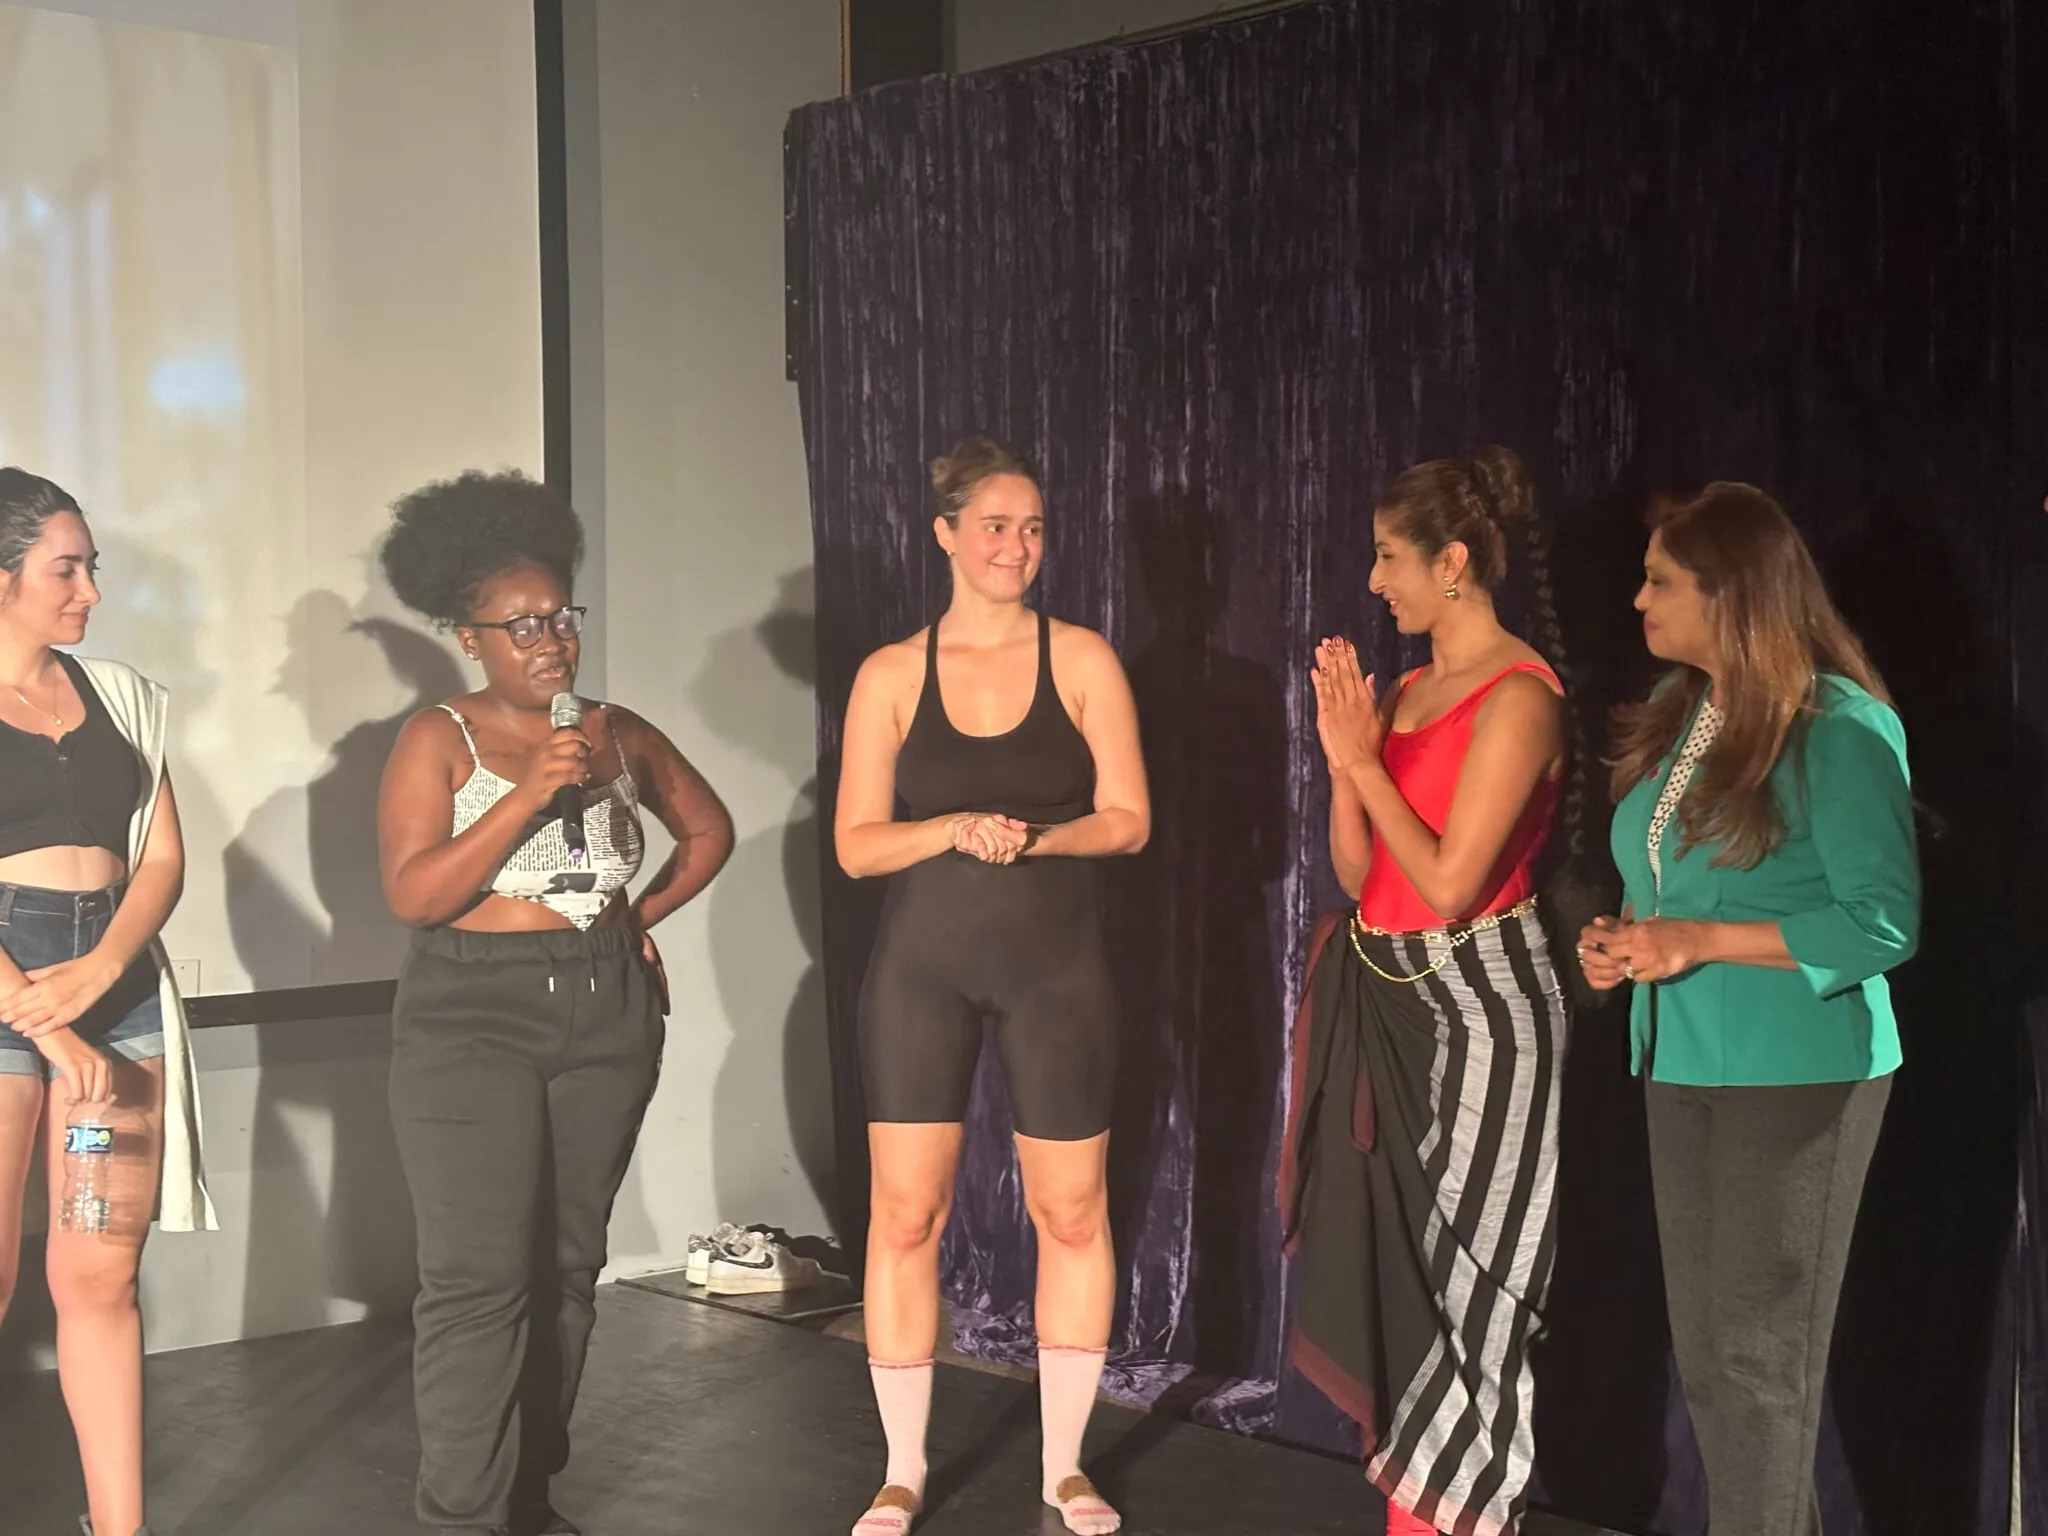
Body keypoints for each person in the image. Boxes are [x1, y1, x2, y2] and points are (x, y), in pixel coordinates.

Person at [376, 470, 733, 1536]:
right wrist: (529, 793)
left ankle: (526, 1497)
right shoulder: (437, 737)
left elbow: (707, 830)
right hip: (470, 1016)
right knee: (478, 1279)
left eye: (563, 618)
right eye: (522, 625)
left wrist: (635, 920)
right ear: (469, 637)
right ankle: (462, 1518)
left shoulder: (619, 732)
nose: (551, 641)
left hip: (604, 1009)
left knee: (568, 1269)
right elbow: (415, 895)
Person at [1576, 484, 1917, 1536]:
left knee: (1760, 1368)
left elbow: (1881, 922)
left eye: (1659, 581)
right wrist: (1624, 942)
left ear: (1729, 593)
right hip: (1679, 1057)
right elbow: (1667, 881)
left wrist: (1699, 942)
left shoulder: (1838, 727)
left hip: (1796, 1072)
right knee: (1715, 1368)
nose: (1637, 600)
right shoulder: (1682, 711)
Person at [834, 437, 1149, 1536]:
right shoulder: (889, 674)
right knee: (903, 1215)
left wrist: (1035, 840)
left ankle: (1064, 1467)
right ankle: (902, 1469)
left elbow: (1128, 819)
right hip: (920, 972)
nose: (1015, 547)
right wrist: (951, 828)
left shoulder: (1083, 660)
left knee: (1071, 1212)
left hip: (1055, 972)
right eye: (994, 526)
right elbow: (857, 846)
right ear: (945, 534)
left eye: (1032, 528)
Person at [1283, 447, 1578, 1536]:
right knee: (1404, 1290)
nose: (1373, 581)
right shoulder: (1405, 691)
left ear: (1451, 562)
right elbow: (1363, 875)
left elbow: (1452, 885)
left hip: (1485, 1018)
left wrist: (1365, 765)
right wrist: (1342, 763)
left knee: (1474, 1299)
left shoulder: (1521, 697)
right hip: (1393, 1004)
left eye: (1388, 557)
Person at [0, 468, 215, 1536]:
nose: (89, 590)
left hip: (115, 979)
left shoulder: (119, 693)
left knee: (99, 1275)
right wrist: (40, 1011)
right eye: (66, 569)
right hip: (7, 985)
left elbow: (162, 858)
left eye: (91, 567)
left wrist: (100, 971)